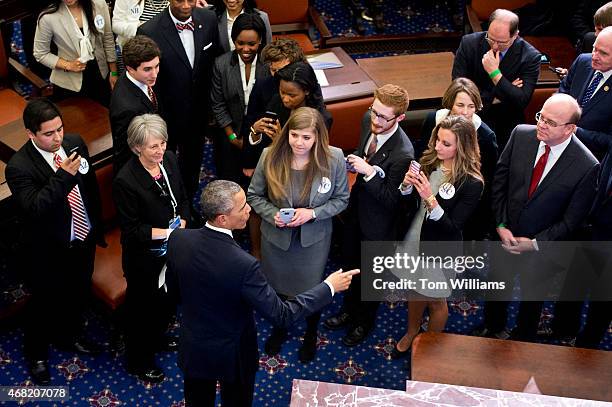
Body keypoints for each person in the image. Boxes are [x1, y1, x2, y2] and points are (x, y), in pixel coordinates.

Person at [166, 179, 359, 407]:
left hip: (194, 347)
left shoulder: (178, 239)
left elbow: (174, 292)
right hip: (234, 354)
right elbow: (283, 314)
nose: (249, 209)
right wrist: (329, 287)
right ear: (223, 219)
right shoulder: (244, 265)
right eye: (242, 207)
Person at [472, 93, 599, 341]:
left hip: (543, 251)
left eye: (551, 122)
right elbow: (499, 182)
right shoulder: (521, 134)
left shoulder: (586, 165)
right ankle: (492, 326)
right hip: (504, 236)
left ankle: (522, 339)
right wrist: (500, 225)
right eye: (541, 116)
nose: (541, 124)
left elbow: (572, 221)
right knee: (497, 288)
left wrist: (534, 243)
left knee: (532, 303)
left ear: (570, 129)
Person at [6, 98, 105, 384]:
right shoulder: (19, 167)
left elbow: (89, 187)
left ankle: (70, 335)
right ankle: (36, 354)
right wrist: (63, 175)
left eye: (60, 129)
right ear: (31, 134)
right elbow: (36, 207)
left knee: (78, 292)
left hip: (82, 238)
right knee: (43, 304)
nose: (57, 138)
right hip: (47, 250)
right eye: (49, 133)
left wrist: (94, 226)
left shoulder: (74, 142)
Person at [247, 107, 349, 362]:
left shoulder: (334, 158)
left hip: (312, 242)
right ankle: (281, 326)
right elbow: (254, 195)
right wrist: (272, 214)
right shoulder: (269, 155)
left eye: (306, 137)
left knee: (313, 290)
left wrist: (312, 214)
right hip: (276, 240)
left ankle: (311, 333)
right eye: (294, 135)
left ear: (317, 138)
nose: (299, 143)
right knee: (278, 289)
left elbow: (342, 199)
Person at [324, 84, 415, 347]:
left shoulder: (403, 154)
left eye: (382, 117)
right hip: (355, 213)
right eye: (373, 112)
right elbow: (364, 149)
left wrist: (369, 172)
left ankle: (363, 323)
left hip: (380, 228)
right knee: (349, 267)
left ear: (399, 118)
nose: (375, 120)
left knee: (370, 280)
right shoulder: (369, 120)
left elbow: (393, 200)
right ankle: (347, 312)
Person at [391, 115, 484, 358]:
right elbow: (408, 202)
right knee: (414, 288)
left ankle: (429, 348)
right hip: (414, 237)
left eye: (446, 144)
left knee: (435, 300)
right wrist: (406, 186)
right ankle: (412, 332)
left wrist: (430, 198)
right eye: (438, 140)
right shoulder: (429, 162)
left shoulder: (472, 182)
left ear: (461, 147)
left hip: (439, 250)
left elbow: (453, 227)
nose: (438, 147)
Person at [113, 114, 191, 383]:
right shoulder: (126, 181)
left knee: (167, 302)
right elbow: (133, 231)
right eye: (152, 147)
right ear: (137, 148)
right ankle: (138, 361)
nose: (160, 151)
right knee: (143, 312)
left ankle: (157, 339)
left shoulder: (167, 160)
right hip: (143, 259)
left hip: (172, 249)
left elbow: (180, 194)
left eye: (163, 143)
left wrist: (183, 218)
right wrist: (169, 232)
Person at [137, 0, 221, 199]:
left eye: (190, 0)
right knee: (164, 164)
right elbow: (148, 81)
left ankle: (189, 201)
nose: (185, 5)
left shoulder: (208, 19)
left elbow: (213, 62)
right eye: (179, 0)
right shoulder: (149, 30)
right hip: (167, 115)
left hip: (199, 112)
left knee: (193, 163)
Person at [418, 78, 498, 240]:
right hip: (424, 202)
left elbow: (487, 184)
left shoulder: (486, 137)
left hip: (460, 213)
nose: (465, 112)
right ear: (450, 104)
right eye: (460, 105)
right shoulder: (433, 120)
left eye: (471, 106)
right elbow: (421, 156)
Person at [452, 8, 541, 148]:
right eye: (490, 38)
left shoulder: (530, 57)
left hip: (505, 121)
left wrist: (495, 74)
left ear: (515, 35)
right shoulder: (469, 43)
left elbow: (521, 101)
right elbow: (458, 86)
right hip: (469, 114)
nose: (494, 46)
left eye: (501, 42)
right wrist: (504, 90)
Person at [210, 12, 270, 182]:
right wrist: (233, 138)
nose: (245, 49)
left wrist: (256, 136)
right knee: (229, 181)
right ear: (233, 40)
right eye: (240, 43)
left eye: (252, 44)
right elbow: (218, 104)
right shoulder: (221, 64)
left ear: (260, 41)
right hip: (230, 129)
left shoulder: (269, 65)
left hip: (262, 132)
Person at [33, 0, 117, 107]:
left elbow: (108, 38)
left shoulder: (98, 4)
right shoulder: (48, 17)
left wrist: (113, 72)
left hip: (100, 75)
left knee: (104, 118)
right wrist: (68, 65)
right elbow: (40, 53)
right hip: (69, 83)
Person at [109, 35, 161, 174]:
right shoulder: (127, 109)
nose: (155, 74)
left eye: (157, 66)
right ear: (130, 69)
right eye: (147, 69)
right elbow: (127, 151)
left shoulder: (136, 79)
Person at [559, 26, 612, 160]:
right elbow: (561, 95)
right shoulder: (582, 61)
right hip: (558, 145)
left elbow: (609, 140)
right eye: (594, 48)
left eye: (603, 53)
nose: (594, 56)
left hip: (592, 159)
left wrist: (576, 131)